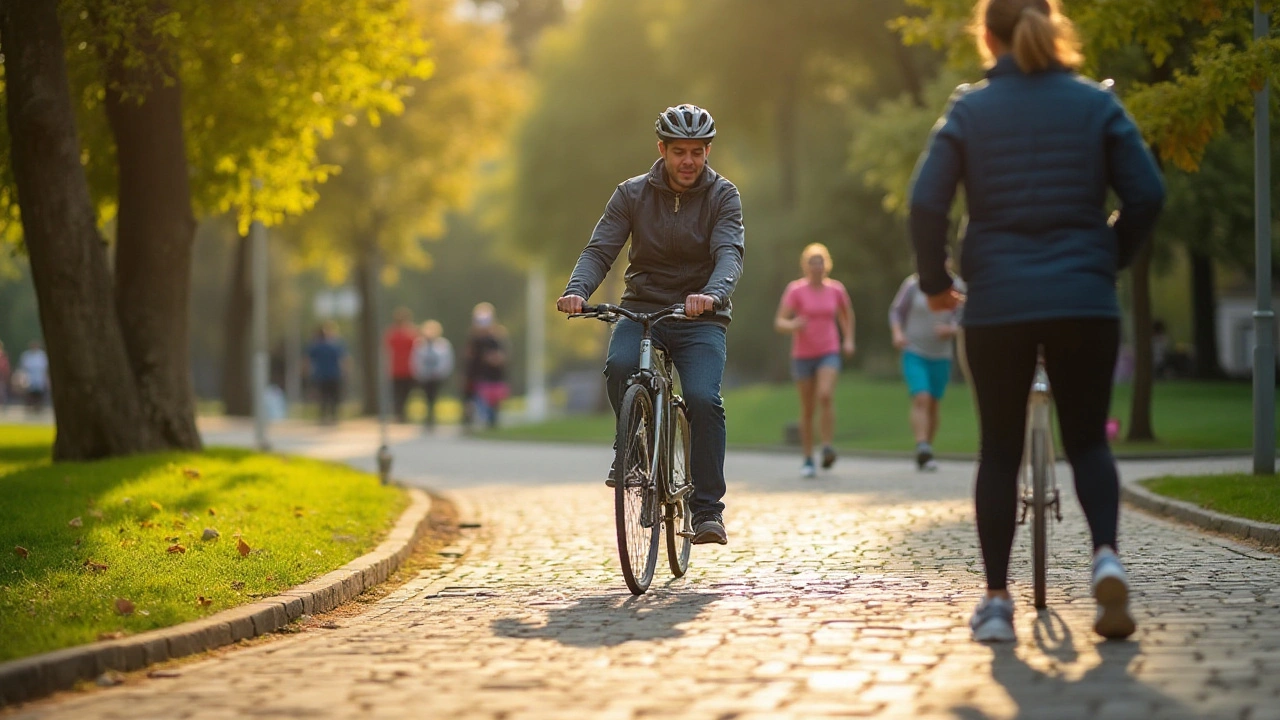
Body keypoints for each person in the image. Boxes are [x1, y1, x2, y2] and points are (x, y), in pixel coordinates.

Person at [908, 0, 1165, 643]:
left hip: (997, 304)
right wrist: (1109, 255)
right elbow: (1148, 193)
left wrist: (938, 285)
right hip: (1084, 298)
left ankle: (997, 604)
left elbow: (924, 203)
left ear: (986, 36)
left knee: (999, 449)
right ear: (1054, 29)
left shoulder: (969, 111)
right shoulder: (1096, 103)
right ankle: (1106, 555)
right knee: (1088, 440)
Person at [555, 103, 744, 546]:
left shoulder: (723, 196)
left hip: (701, 317)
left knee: (702, 398)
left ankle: (707, 512)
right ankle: (634, 451)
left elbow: (729, 254)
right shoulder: (631, 194)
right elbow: (600, 249)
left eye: (697, 152)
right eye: (679, 151)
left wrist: (712, 295)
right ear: (661, 149)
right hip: (643, 309)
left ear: (707, 152)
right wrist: (578, 290)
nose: (688, 162)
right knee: (620, 366)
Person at [774, 243, 855, 478]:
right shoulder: (796, 290)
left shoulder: (836, 289)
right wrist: (793, 325)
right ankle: (808, 458)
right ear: (806, 266)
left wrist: (848, 339)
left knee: (825, 395)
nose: (816, 266)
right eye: (812, 262)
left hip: (829, 349)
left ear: (826, 265)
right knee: (808, 408)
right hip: (802, 355)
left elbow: (847, 314)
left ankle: (827, 446)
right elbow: (780, 321)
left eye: (820, 262)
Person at [889, 270, 964, 471]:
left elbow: (963, 315)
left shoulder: (956, 286)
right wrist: (897, 334)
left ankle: (927, 449)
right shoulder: (913, 284)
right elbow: (896, 311)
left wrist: (951, 329)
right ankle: (921, 444)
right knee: (921, 397)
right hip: (913, 350)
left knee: (933, 404)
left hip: (941, 354)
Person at [463, 303, 508, 429]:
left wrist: (494, 358)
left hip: (494, 377)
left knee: (493, 407)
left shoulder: (496, 338)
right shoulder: (473, 340)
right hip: (478, 378)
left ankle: (491, 424)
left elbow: (502, 357)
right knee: (477, 405)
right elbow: (469, 359)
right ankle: (475, 423)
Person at [412, 319, 454, 430]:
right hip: (425, 376)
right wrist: (420, 373)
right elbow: (416, 361)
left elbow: (447, 361)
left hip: (437, 377)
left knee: (434, 396)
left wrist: (440, 372)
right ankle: (427, 417)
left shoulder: (443, 345)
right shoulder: (420, 345)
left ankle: (432, 417)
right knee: (426, 397)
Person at [305, 322, 349, 425]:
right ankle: (334, 417)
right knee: (334, 397)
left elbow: (307, 360)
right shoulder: (335, 346)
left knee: (323, 397)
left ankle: (323, 417)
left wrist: (306, 373)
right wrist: (345, 372)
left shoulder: (315, 346)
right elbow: (344, 359)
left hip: (321, 375)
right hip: (334, 374)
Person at [385, 307, 418, 423]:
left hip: (401, 368)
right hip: (404, 368)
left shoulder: (393, 333)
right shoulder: (411, 333)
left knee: (400, 393)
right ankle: (400, 413)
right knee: (403, 393)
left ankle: (400, 413)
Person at [18, 340, 48, 414]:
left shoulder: (42, 356)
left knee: (39, 395)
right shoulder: (26, 356)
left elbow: (45, 368)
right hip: (29, 378)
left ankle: (38, 408)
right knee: (29, 394)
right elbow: (23, 368)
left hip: (39, 378)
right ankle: (29, 408)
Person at [0, 341, 10, 407]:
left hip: (1, 374)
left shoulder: (2, 355)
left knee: (2, 389)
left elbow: (5, 365)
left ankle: (2, 403)